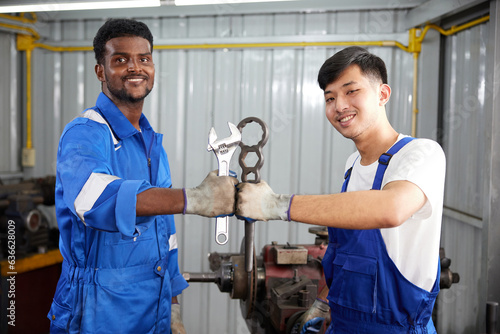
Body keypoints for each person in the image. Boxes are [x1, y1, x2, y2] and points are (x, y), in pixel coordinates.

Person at [236, 46, 446, 333]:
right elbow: (348, 257)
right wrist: (324, 302)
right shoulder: (352, 166)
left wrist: (275, 205)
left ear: (383, 94)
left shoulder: (421, 154)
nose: (339, 106)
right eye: (330, 98)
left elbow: (391, 208)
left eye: (351, 91)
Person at [47, 18, 237, 334]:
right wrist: (196, 198)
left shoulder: (149, 141)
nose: (135, 68)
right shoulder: (85, 134)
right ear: (100, 71)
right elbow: (96, 200)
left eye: (143, 59)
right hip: (97, 312)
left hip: (154, 307)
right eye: (120, 60)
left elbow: (164, 231)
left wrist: (172, 305)